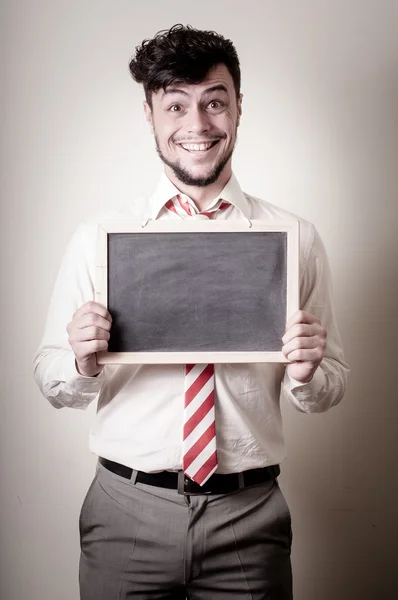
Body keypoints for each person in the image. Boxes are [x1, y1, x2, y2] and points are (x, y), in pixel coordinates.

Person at [34, 24, 349, 600]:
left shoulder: (292, 238)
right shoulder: (101, 238)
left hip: (249, 516)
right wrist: (80, 362)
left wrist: (310, 371)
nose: (197, 125)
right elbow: (51, 378)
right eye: (175, 104)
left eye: (214, 102)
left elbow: (332, 385)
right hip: (125, 511)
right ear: (150, 116)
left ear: (237, 109)